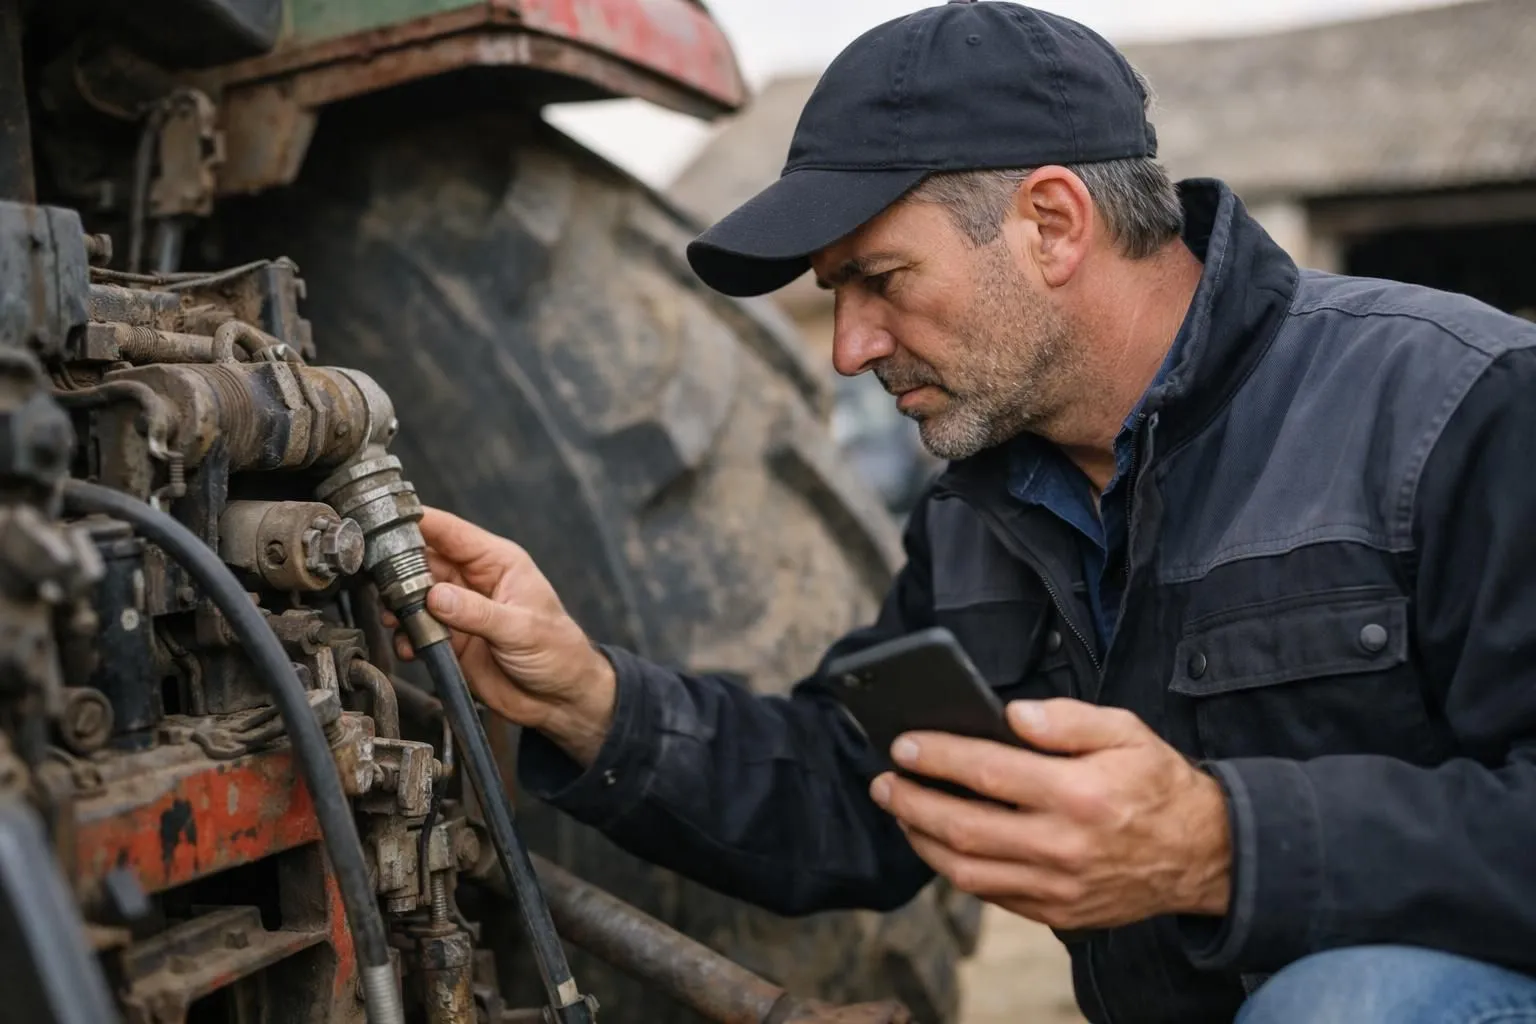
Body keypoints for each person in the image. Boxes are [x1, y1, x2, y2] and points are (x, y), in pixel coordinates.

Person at [392, 4, 1536, 1022]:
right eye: (833, 296)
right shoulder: (985, 509)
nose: (848, 350)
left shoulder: (1457, 406)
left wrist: (1220, 846)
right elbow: (854, 790)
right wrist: (590, 699)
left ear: (1051, 223)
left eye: (880, 280)